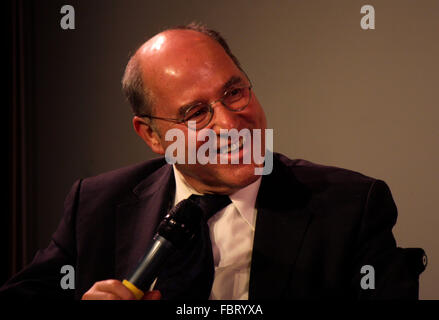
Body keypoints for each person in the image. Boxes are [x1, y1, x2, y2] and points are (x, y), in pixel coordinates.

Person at [1, 23, 423, 300]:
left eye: (235, 92)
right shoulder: (95, 204)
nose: (229, 123)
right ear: (151, 135)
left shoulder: (351, 206)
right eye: (195, 113)